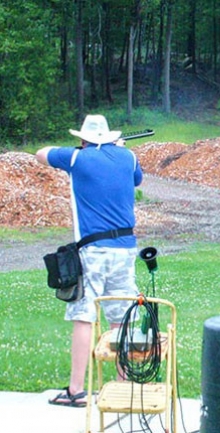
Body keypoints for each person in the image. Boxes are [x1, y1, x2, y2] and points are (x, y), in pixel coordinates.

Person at [36, 114, 143, 407]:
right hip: (126, 247)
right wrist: (118, 148)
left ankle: (76, 390)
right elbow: (137, 178)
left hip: (93, 250)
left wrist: (82, 152)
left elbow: (40, 153)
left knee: (84, 315)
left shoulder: (76, 158)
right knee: (121, 319)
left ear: (83, 138)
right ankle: (124, 385)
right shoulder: (128, 156)